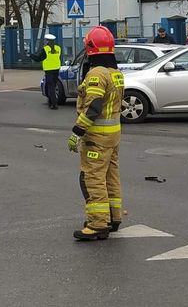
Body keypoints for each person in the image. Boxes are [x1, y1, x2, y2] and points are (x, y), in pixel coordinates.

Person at [67, 26, 125, 241]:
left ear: (90, 48)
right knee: (111, 176)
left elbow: (94, 106)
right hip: (113, 135)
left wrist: (77, 131)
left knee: (92, 178)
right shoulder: (115, 73)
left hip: (97, 137)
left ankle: (98, 224)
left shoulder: (96, 74)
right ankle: (113, 218)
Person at [29, 33, 62, 109]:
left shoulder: (46, 49)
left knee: (50, 87)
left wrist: (31, 55)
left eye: (45, 40)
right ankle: (51, 102)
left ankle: (53, 104)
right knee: (53, 86)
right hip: (56, 69)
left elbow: (38, 59)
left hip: (49, 70)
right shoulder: (58, 48)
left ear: (47, 41)